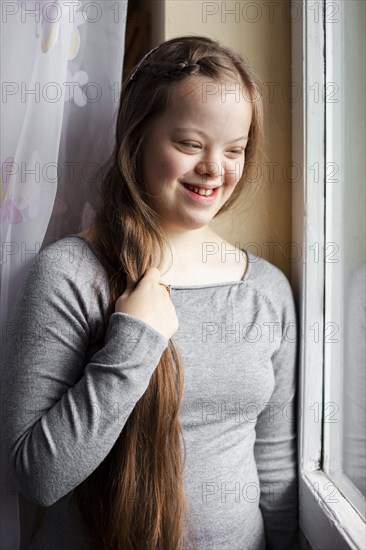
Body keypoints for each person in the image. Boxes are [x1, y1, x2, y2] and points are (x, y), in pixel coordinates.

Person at [2, 36, 298, 550]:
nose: (214, 168)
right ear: (137, 140)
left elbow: (273, 468)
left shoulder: (266, 290)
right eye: (189, 144)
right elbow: (37, 476)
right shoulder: (69, 274)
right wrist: (134, 341)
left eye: (235, 150)